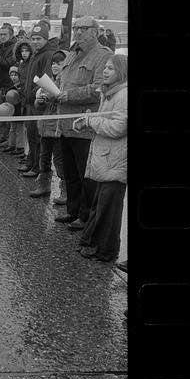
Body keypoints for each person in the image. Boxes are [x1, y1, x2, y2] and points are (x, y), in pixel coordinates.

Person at [53, 17, 113, 231]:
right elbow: (62, 82)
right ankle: (73, 211)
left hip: (84, 127)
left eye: (83, 28)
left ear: (95, 32)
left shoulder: (103, 55)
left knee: (85, 175)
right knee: (70, 173)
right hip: (65, 124)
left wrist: (69, 95)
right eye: (76, 28)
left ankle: (85, 216)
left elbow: (99, 89)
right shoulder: (71, 53)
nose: (78, 32)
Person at [74, 54, 127, 262]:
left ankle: (106, 251)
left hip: (116, 161)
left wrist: (92, 122)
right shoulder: (110, 93)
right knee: (101, 204)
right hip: (107, 158)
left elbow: (118, 128)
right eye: (105, 67)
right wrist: (87, 120)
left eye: (110, 69)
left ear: (121, 73)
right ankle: (95, 243)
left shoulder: (123, 95)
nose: (105, 71)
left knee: (110, 209)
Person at [18, 22, 59, 179]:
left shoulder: (47, 55)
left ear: (45, 39)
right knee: (31, 135)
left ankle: (36, 167)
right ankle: (31, 162)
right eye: (33, 38)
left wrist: (34, 94)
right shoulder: (37, 53)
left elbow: (45, 80)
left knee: (36, 137)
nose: (35, 42)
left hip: (37, 104)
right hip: (29, 102)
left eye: (39, 39)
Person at [28, 50, 66, 199]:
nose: (55, 66)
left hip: (57, 128)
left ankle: (65, 190)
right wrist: (40, 101)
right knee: (44, 158)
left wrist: (54, 97)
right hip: (44, 127)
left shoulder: (66, 82)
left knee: (59, 161)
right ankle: (43, 186)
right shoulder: (48, 80)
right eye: (53, 63)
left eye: (59, 63)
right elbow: (39, 108)